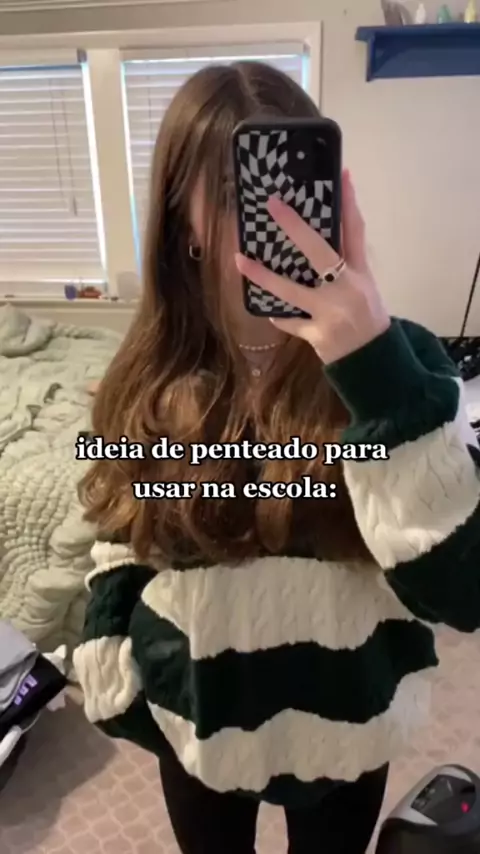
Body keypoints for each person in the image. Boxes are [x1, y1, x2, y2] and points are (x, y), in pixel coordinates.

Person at [73, 61, 480, 854]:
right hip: (201, 723)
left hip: (346, 723)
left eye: (297, 189)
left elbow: (464, 592)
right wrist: (118, 667)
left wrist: (374, 369)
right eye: (237, 193)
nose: (273, 215)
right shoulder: (146, 379)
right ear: (184, 220)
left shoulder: (403, 366)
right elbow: (120, 534)